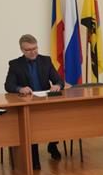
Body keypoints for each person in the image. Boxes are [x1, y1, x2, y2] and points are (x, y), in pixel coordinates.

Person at [4, 34, 63, 165]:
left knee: (57, 118)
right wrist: (20, 89)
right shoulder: (15, 64)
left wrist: (57, 86)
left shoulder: (46, 60)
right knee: (30, 126)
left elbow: (59, 80)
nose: (33, 52)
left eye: (35, 48)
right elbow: (8, 85)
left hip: (45, 102)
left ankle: (52, 145)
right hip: (28, 104)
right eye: (29, 50)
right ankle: (33, 160)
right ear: (22, 50)